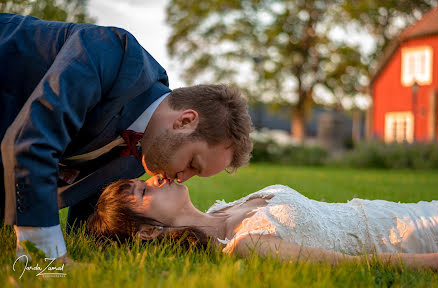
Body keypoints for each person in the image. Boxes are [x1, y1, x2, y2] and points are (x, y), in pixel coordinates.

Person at [0, 13, 253, 260]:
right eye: (192, 164)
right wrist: (44, 255)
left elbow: (89, 225)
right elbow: (32, 142)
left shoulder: (140, 155)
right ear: (185, 121)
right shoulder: (112, 56)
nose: (182, 179)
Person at [87, 176, 438, 271]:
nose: (156, 179)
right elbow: (355, 267)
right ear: (149, 231)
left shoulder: (223, 208)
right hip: (423, 234)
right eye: (143, 192)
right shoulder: (247, 244)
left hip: (413, 209)